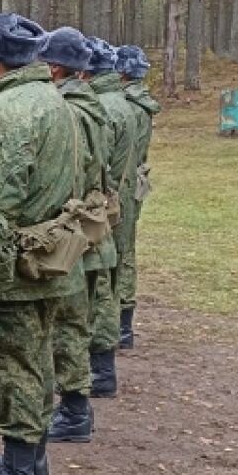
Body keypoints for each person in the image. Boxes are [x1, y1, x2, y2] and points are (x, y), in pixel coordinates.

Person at [0, 12, 81, 475]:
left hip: (15, 264)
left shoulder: (7, 113)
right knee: (35, 358)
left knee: (12, 364)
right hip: (49, 253)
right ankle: (30, 458)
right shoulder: (51, 100)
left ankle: (18, 473)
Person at [39, 27, 118, 445]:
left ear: (54, 67)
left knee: (68, 322)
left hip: (74, 228)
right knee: (79, 317)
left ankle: (73, 410)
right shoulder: (94, 105)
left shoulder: (67, 109)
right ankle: (75, 405)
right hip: (91, 223)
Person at [81, 37, 138, 396]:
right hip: (119, 201)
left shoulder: (101, 108)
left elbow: (95, 165)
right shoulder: (120, 102)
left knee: (99, 287)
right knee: (109, 282)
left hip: (102, 206)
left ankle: (100, 370)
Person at [116, 45, 160, 348]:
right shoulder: (141, 103)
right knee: (126, 252)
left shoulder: (127, 105)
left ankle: (120, 325)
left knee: (119, 255)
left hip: (123, 184)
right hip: (135, 182)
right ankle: (123, 326)